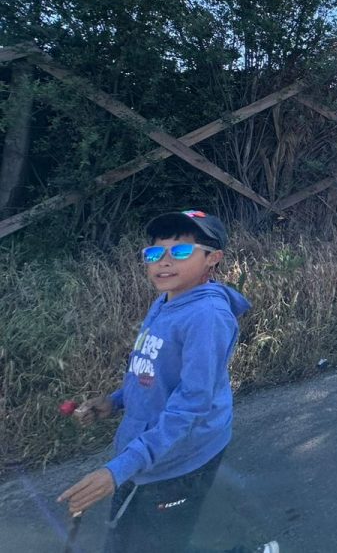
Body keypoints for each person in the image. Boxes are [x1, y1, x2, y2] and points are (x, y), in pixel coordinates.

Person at [57, 209, 278, 553]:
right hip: (148, 452)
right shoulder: (166, 301)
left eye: (181, 251)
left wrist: (118, 470)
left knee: (157, 542)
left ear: (212, 259)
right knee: (131, 540)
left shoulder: (207, 317)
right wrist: (115, 401)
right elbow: (152, 371)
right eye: (155, 253)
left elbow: (191, 402)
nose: (164, 262)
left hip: (177, 458)